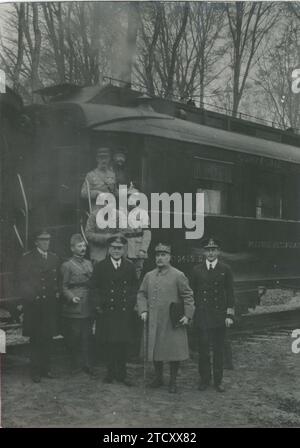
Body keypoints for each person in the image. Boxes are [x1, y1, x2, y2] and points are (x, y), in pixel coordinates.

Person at [137, 243, 195, 393]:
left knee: (173, 351)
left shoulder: (178, 275)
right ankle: (158, 378)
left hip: (172, 320)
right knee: (156, 350)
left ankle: (173, 381)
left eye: (163, 255)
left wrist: (187, 315)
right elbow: (141, 294)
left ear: (169, 257)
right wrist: (143, 310)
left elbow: (188, 296)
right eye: (157, 255)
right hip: (154, 320)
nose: (160, 258)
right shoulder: (149, 275)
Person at [90, 234, 138, 386]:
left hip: (124, 311)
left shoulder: (130, 266)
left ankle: (122, 374)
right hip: (107, 311)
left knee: (122, 343)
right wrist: (98, 305)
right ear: (109, 249)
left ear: (123, 250)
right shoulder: (100, 266)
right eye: (113, 248)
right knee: (109, 343)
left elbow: (134, 288)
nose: (116, 251)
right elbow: (94, 288)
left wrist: (130, 303)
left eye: (119, 248)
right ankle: (110, 373)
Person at [191, 238, 235, 393]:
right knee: (203, 350)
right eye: (208, 250)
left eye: (213, 250)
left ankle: (218, 381)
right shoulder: (197, 269)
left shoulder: (225, 269)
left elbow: (230, 293)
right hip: (202, 316)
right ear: (204, 252)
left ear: (218, 252)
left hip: (219, 316)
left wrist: (229, 315)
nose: (210, 253)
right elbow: (193, 292)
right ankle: (204, 380)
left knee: (218, 350)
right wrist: (192, 313)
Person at [18, 229, 60, 383]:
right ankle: (35, 371)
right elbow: (22, 282)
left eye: (48, 239)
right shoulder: (27, 259)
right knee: (35, 339)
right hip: (34, 305)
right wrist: (32, 297)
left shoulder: (54, 258)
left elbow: (58, 281)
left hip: (49, 305)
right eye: (42, 239)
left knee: (48, 337)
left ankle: (46, 369)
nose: (46, 242)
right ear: (36, 242)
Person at [60, 234, 95, 376]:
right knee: (74, 336)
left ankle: (86, 364)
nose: (83, 249)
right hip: (75, 305)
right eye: (79, 246)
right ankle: (74, 364)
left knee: (87, 336)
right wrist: (71, 297)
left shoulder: (89, 263)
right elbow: (63, 287)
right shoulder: (67, 265)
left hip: (88, 304)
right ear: (72, 248)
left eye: (84, 246)